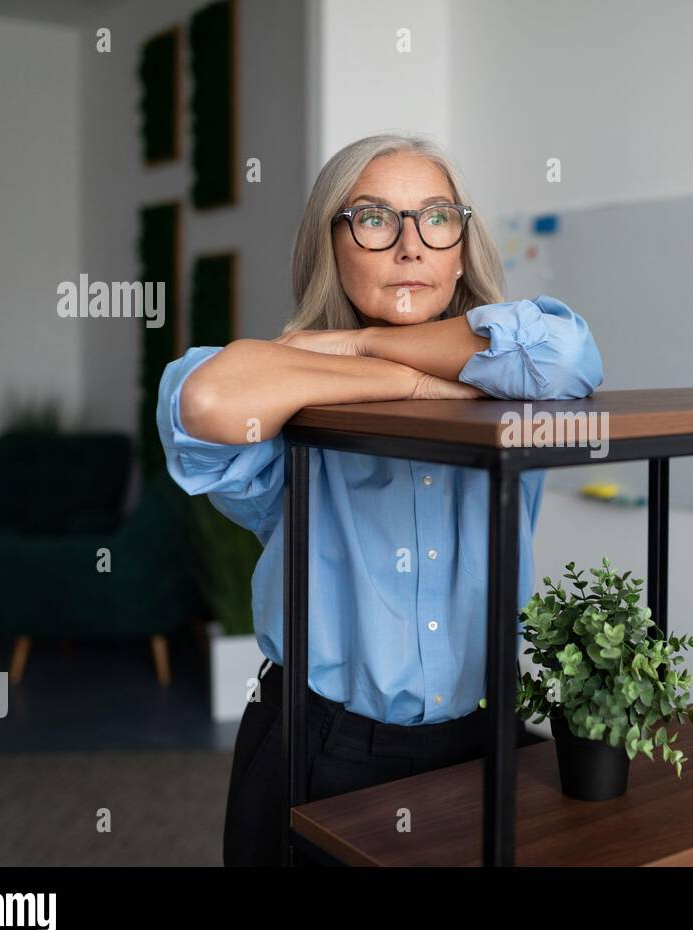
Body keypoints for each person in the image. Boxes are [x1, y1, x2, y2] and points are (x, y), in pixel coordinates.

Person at [155, 133, 604, 866]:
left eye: (436, 217)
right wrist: (401, 371)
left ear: (461, 247)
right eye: (373, 218)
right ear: (331, 244)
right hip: (318, 745)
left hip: (484, 735)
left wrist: (367, 349)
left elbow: (569, 356)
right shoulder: (282, 390)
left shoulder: (515, 372)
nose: (410, 246)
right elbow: (207, 398)